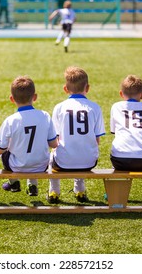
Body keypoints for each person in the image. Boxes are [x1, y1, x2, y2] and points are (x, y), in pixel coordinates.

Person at [48, 66, 105, 204]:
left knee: (51, 156)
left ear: (65, 89)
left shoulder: (59, 107)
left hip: (63, 162)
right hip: (89, 162)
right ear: (88, 87)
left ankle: (54, 191)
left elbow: (54, 141)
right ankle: (79, 189)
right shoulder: (94, 107)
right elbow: (97, 140)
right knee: (82, 146)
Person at [0, 76, 58, 196]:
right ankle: (32, 185)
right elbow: (53, 144)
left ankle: (14, 182)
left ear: (12, 99)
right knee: (36, 149)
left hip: (17, 167)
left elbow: (0, 150)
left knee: (5, 151)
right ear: (34, 97)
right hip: (41, 165)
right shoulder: (45, 116)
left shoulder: (10, 120)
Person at [110, 75, 142, 203]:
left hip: (120, 159)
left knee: (120, 149)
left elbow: (114, 132)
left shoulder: (116, 106)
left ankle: (115, 192)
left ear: (121, 94)